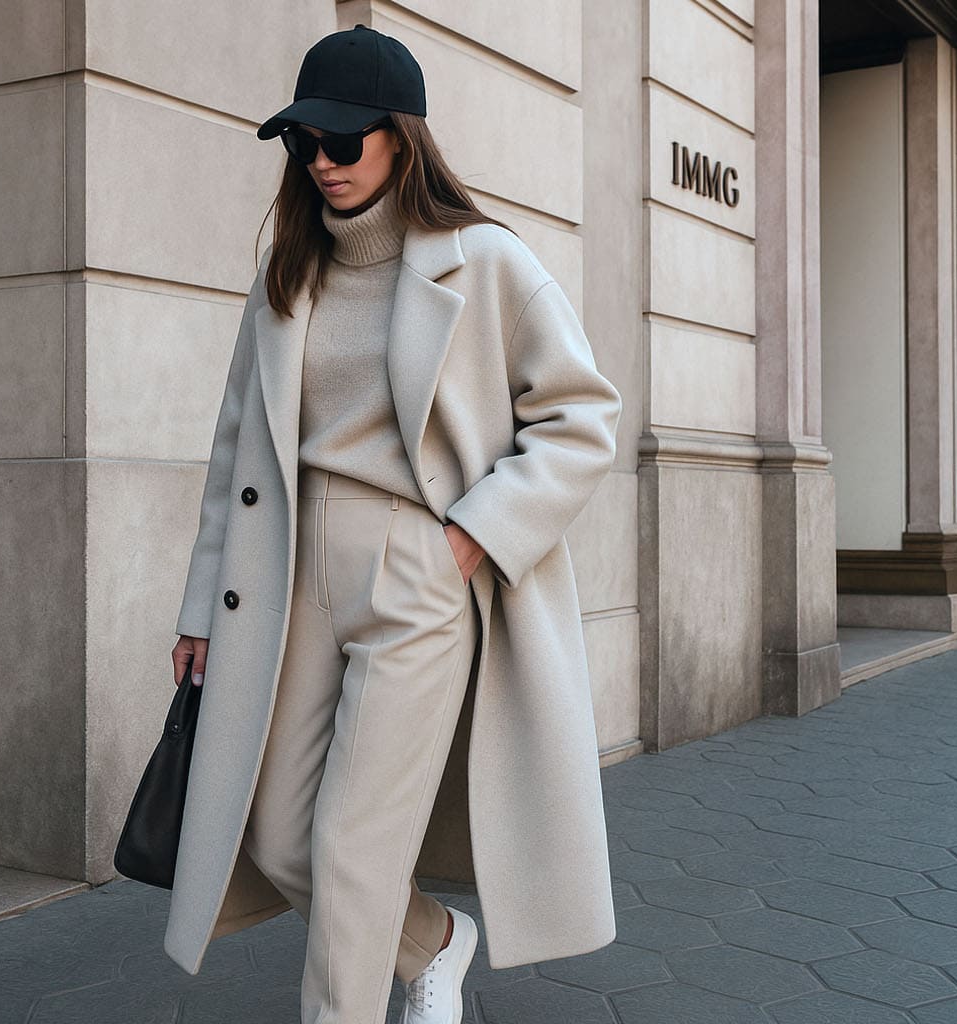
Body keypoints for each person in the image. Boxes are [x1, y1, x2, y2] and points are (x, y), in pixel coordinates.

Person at [166, 22, 622, 1024]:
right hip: (288, 577)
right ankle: (439, 942)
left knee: (353, 846)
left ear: (400, 138)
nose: (322, 163)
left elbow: (584, 418)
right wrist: (201, 603)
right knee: (277, 830)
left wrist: (466, 539)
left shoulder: (485, 262)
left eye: (343, 141)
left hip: (418, 574)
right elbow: (235, 448)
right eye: (304, 144)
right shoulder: (287, 271)